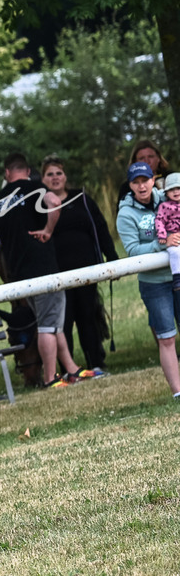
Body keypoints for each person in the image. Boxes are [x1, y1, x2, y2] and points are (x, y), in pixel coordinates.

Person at [0, 153, 102, 388]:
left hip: (18, 275)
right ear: (28, 172)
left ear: (7, 173)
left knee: (51, 321)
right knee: (48, 326)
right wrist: (49, 230)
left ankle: (71, 369)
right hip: (44, 269)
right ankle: (51, 378)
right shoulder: (36, 188)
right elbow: (55, 203)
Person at [41, 155, 118, 372]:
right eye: (50, 174)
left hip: (87, 270)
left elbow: (101, 228)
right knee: (63, 322)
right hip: (57, 274)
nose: (55, 178)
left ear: (65, 176)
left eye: (59, 173)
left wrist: (111, 257)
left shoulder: (82, 199)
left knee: (88, 316)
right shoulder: (39, 204)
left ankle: (96, 362)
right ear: (43, 178)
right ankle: (68, 369)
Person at [118, 161, 180, 399]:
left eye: (145, 180)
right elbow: (132, 251)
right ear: (130, 185)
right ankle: (177, 392)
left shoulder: (170, 197)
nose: (142, 186)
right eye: (136, 182)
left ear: (154, 180)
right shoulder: (125, 214)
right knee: (167, 337)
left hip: (178, 273)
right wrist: (161, 243)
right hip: (154, 284)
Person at [116, 140, 170, 210]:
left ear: (158, 158)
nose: (147, 161)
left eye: (151, 156)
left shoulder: (171, 178)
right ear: (135, 161)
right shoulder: (127, 187)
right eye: (141, 158)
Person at [155, 173, 180, 291]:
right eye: (171, 189)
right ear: (166, 192)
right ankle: (177, 278)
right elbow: (159, 220)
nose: (176, 192)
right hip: (172, 236)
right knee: (175, 253)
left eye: (178, 188)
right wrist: (162, 235)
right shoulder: (165, 206)